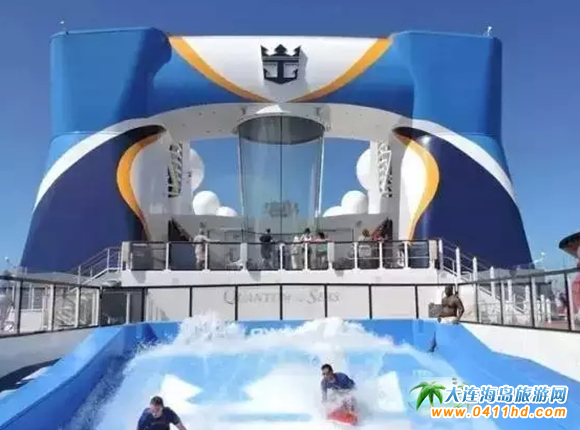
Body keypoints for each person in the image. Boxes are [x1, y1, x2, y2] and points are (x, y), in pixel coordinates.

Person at [427, 286, 464, 352]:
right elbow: (443, 309)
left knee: (451, 334)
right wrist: (440, 315)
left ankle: (455, 349)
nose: (446, 291)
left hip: (451, 318)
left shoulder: (455, 299)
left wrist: (457, 319)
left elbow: (461, 309)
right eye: (445, 289)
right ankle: (432, 347)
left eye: (447, 289)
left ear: (451, 289)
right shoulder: (443, 299)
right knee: (436, 331)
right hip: (443, 318)